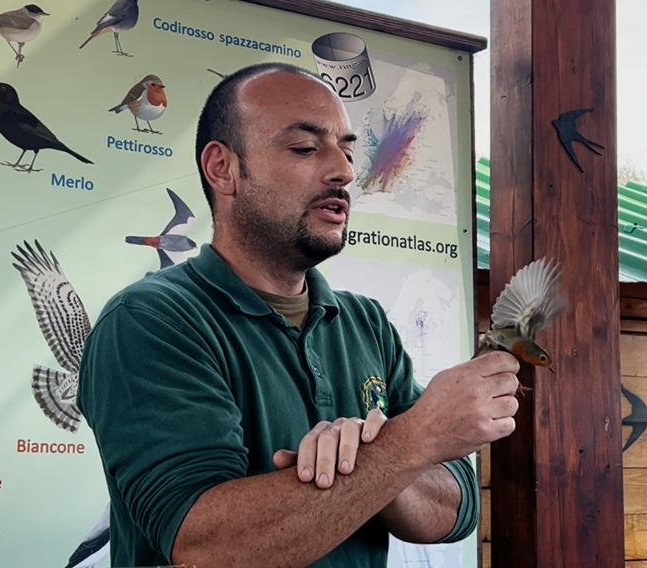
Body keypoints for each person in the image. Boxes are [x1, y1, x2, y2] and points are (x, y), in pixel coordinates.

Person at [77, 62, 520, 568]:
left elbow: (457, 510)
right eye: (306, 148)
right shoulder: (151, 321)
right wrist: (412, 439)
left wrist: (369, 459)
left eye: (348, 151)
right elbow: (204, 544)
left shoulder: (365, 324)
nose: (345, 172)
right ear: (223, 168)